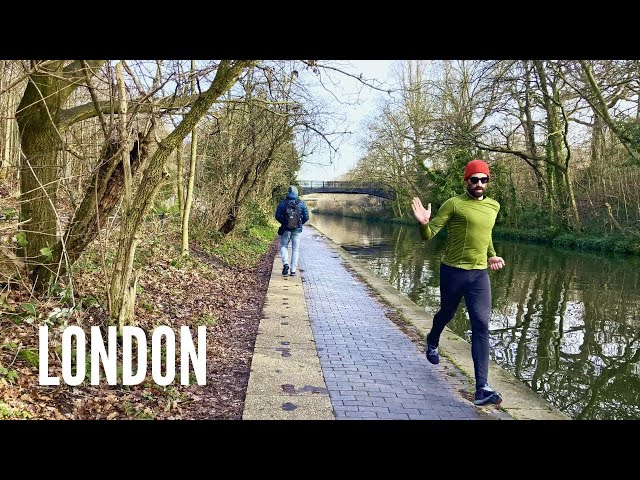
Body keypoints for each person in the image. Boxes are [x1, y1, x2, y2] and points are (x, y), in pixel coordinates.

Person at [411, 159, 506, 406]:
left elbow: (486, 236)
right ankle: (432, 339)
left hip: (479, 274)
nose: (479, 184)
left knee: (481, 325)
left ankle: (482, 388)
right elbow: (429, 235)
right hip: (453, 271)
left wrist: (492, 254)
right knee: (447, 313)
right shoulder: (454, 204)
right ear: (466, 181)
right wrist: (423, 224)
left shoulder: (494, 206)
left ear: (488, 181)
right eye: (474, 179)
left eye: (483, 179)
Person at [275, 185, 309, 276]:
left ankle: (285, 264)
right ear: (296, 193)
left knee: (283, 246)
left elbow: (277, 216)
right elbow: (306, 217)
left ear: (288, 192)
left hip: (285, 229)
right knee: (295, 250)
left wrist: (285, 223)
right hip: (297, 230)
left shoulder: (283, 203)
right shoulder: (301, 203)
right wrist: (299, 223)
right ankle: (293, 270)